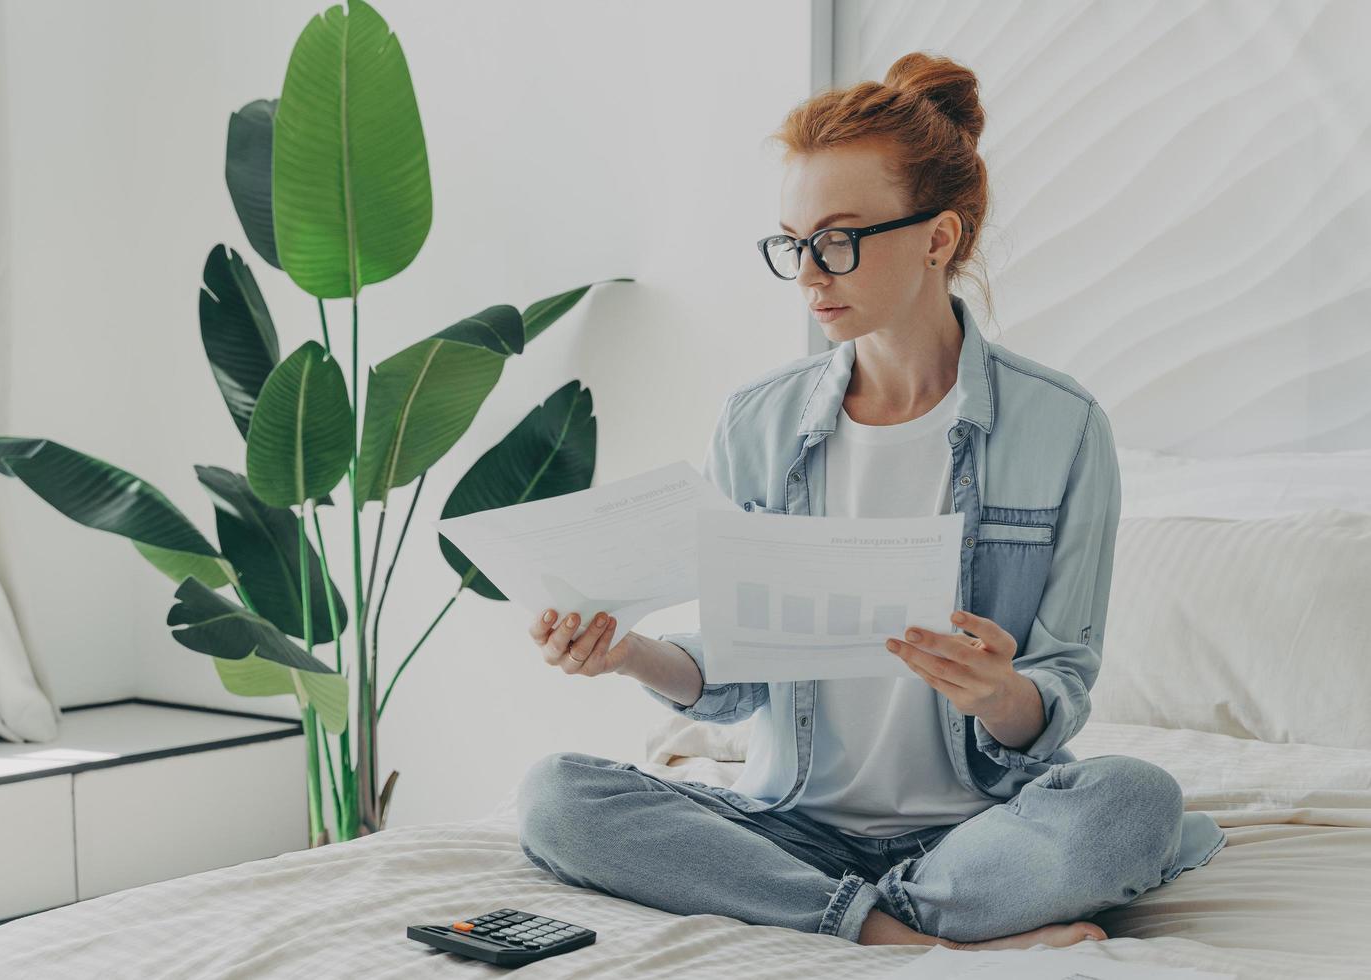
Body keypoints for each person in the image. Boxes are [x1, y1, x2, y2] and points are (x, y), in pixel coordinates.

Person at [515, 52, 1226, 952]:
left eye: (839, 239)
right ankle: (913, 942)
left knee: (1133, 804)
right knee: (557, 795)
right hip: (790, 826)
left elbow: (1060, 692)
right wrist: (629, 655)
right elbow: (736, 673)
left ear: (938, 238)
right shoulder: (756, 421)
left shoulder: (1065, 428)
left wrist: (1000, 693)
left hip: (981, 831)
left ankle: (834, 917)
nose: (810, 272)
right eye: (792, 241)